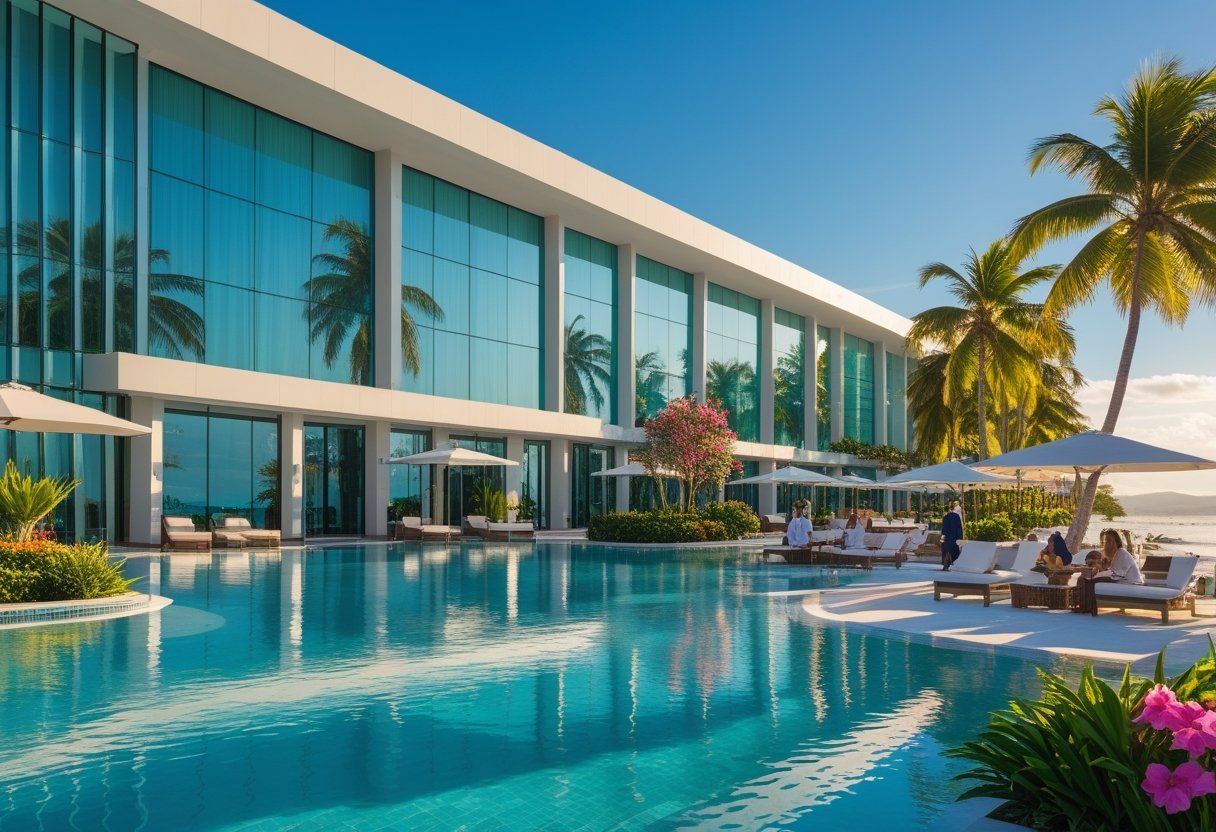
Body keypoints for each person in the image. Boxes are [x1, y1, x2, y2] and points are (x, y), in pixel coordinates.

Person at [1075, 530, 1143, 614]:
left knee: (1092, 582)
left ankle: (1089, 607)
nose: (1107, 543)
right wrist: (1098, 568)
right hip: (1120, 579)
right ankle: (1084, 606)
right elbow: (1110, 572)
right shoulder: (1112, 554)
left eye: (1110, 541)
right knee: (1085, 579)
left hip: (1130, 582)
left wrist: (1099, 571)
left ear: (1117, 542)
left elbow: (1116, 574)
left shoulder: (1121, 553)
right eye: (1106, 541)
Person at [940, 501, 963, 570]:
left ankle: (946, 563)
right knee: (954, 551)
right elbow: (959, 527)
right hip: (954, 537)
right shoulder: (956, 516)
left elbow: (943, 529)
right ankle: (949, 562)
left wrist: (943, 537)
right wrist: (960, 537)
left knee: (946, 550)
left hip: (947, 537)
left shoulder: (945, 517)